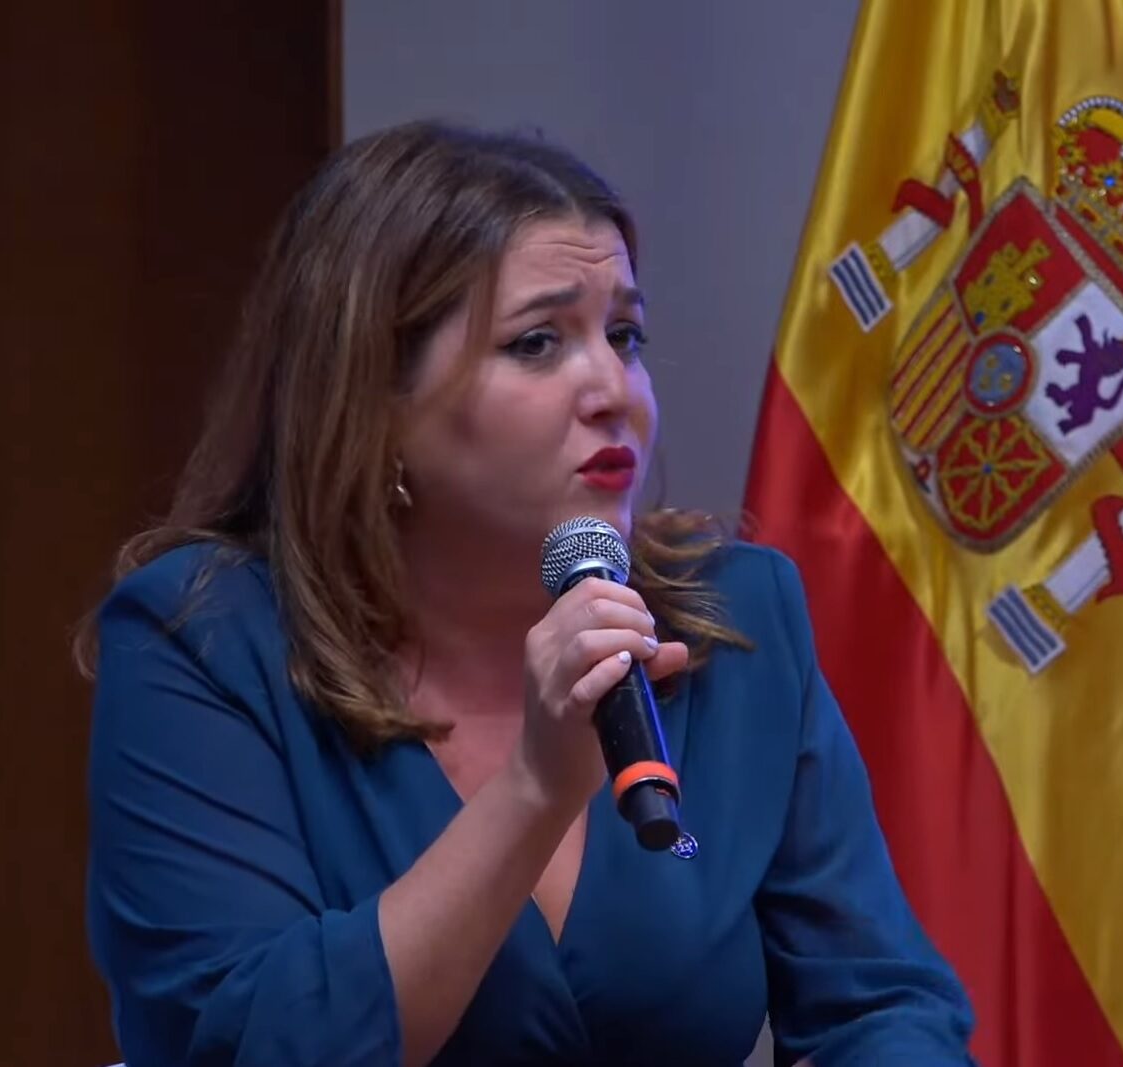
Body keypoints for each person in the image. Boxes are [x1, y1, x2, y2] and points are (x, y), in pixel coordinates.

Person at [81, 120, 974, 1067]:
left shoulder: (732, 619)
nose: (613, 389)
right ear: (373, 404)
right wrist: (534, 791)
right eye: (538, 343)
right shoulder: (205, 639)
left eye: (623, 335)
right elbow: (239, 1043)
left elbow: (877, 1003)